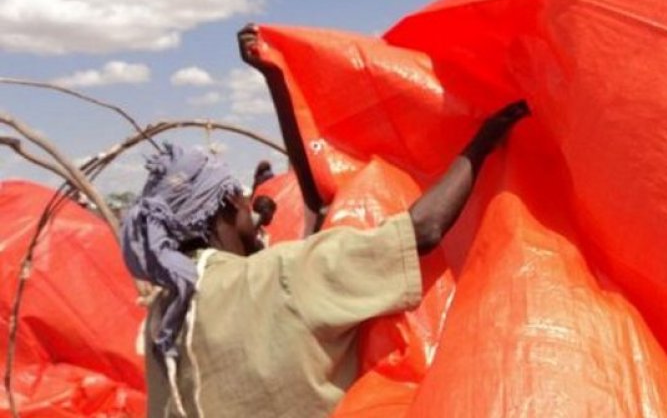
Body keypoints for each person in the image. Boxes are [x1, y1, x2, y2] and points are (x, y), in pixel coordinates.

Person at [120, 27, 528, 418]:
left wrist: (277, 77)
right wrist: (482, 144)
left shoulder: (167, 307)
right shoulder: (283, 277)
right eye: (245, 201)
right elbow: (423, 229)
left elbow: (315, 203)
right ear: (228, 203)